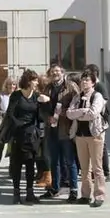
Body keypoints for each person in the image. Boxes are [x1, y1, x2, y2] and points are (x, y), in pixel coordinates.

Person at [6, 69, 50, 205]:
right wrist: (21, 125)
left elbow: (41, 116)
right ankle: (16, 193)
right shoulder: (16, 96)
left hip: (31, 136)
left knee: (30, 165)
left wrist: (46, 103)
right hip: (17, 135)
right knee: (16, 165)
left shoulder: (36, 96)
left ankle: (30, 193)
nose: (37, 83)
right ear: (28, 81)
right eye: (34, 80)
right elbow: (10, 114)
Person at [67, 70, 109, 207]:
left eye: (87, 80)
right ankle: (85, 195)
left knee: (97, 167)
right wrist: (82, 112)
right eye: (83, 80)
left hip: (94, 135)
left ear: (93, 82)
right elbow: (69, 113)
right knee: (84, 168)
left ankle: (99, 195)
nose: (84, 82)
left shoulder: (97, 96)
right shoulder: (77, 97)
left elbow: (93, 114)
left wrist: (78, 114)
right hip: (80, 135)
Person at [41, 63, 80, 202]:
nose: (55, 73)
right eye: (52, 72)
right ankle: (54, 188)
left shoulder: (70, 86)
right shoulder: (48, 88)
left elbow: (78, 103)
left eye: (57, 71)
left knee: (70, 161)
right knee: (54, 162)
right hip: (51, 129)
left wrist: (63, 113)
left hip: (66, 129)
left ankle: (73, 190)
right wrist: (48, 117)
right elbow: (42, 108)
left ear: (62, 72)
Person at [84, 64, 110, 182]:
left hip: (99, 120)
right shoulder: (91, 85)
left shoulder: (100, 85)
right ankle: (94, 172)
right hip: (91, 120)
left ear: (94, 73)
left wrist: (91, 108)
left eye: (88, 73)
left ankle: (105, 172)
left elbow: (104, 101)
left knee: (101, 146)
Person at [0, 77, 16, 179]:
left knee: (11, 149)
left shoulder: (17, 96)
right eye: (9, 84)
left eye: (13, 84)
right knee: (0, 148)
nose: (11, 86)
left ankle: (11, 171)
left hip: (13, 125)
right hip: (3, 125)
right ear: (6, 85)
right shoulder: (1, 95)